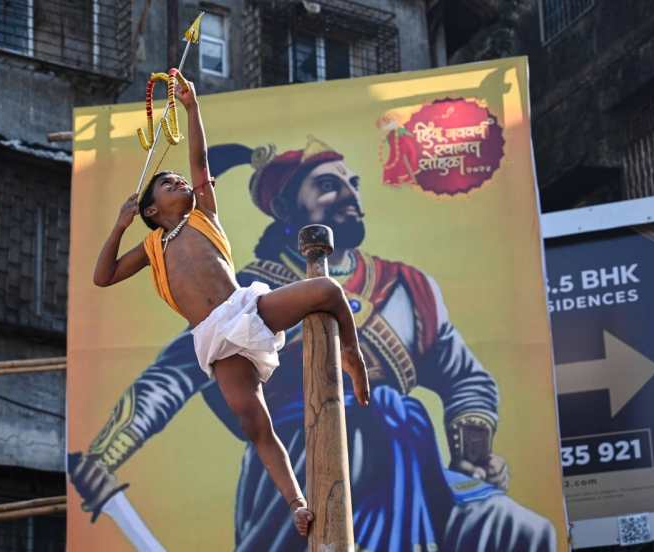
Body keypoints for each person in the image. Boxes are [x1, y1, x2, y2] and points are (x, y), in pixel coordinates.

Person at [71, 133, 556, 550]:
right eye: (327, 184)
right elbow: (171, 377)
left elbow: (464, 376)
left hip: (415, 465)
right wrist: (103, 458)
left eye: (352, 183)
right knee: (330, 454)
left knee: (521, 531)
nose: (346, 192)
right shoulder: (241, 289)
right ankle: (301, 507)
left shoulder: (411, 287)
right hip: (303, 452)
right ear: (287, 208)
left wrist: (472, 452)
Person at [68, 77, 370, 538]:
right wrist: (118, 224)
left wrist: (192, 108)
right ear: (152, 209)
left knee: (327, 291)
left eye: (180, 179)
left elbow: (202, 161)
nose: (181, 181)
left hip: (246, 308)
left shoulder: (203, 213)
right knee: (256, 425)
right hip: (215, 338)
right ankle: (297, 503)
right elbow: (102, 276)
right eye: (169, 183)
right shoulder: (150, 245)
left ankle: (352, 354)